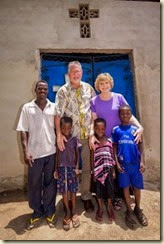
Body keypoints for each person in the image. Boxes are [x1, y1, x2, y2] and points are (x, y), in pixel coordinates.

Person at [90, 73, 144, 210]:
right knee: (109, 171)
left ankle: (120, 197)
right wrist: (92, 135)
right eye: (101, 83)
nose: (104, 86)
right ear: (98, 86)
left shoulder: (119, 97)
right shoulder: (94, 101)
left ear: (110, 84)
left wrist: (140, 127)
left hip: (120, 138)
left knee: (120, 169)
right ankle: (111, 197)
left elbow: (128, 115)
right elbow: (94, 121)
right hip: (105, 141)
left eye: (106, 83)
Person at [55, 61, 96, 212]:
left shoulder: (89, 88)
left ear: (81, 73)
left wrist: (92, 132)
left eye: (78, 71)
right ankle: (69, 198)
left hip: (86, 136)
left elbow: (94, 112)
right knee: (69, 168)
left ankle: (85, 196)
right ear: (68, 74)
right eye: (73, 72)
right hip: (70, 138)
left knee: (86, 168)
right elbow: (58, 114)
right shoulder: (62, 91)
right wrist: (59, 135)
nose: (76, 74)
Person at [16, 80, 57, 230]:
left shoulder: (54, 107)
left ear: (47, 91)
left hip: (51, 152)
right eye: (40, 88)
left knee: (50, 184)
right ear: (35, 89)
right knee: (34, 184)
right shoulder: (27, 108)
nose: (42, 90)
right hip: (34, 154)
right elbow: (23, 131)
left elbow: (58, 130)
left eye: (45, 89)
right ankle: (37, 211)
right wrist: (26, 151)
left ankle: (50, 211)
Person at [112, 104, 148, 229]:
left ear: (131, 114)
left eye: (128, 113)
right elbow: (115, 147)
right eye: (122, 114)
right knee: (125, 187)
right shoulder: (116, 130)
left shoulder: (135, 129)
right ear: (119, 115)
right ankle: (129, 210)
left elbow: (141, 146)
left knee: (137, 187)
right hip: (123, 165)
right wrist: (116, 162)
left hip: (135, 164)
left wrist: (142, 161)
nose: (125, 115)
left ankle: (138, 208)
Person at [54, 116, 80, 231]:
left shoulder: (74, 140)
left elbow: (77, 155)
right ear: (60, 128)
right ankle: (68, 212)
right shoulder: (59, 140)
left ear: (72, 128)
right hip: (61, 169)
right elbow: (57, 156)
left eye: (68, 128)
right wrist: (55, 169)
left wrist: (77, 167)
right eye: (63, 128)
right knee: (64, 191)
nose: (65, 130)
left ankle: (74, 210)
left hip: (71, 169)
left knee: (73, 190)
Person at [91, 118, 116, 222]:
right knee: (99, 191)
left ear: (105, 128)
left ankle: (109, 206)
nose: (100, 130)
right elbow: (92, 157)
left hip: (109, 170)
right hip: (98, 171)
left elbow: (112, 156)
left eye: (102, 128)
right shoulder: (93, 142)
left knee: (110, 190)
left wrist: (114, 170)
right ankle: (100, 208)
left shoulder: (109, 141)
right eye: (97, 128)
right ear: (94, 129)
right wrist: (93, 171)